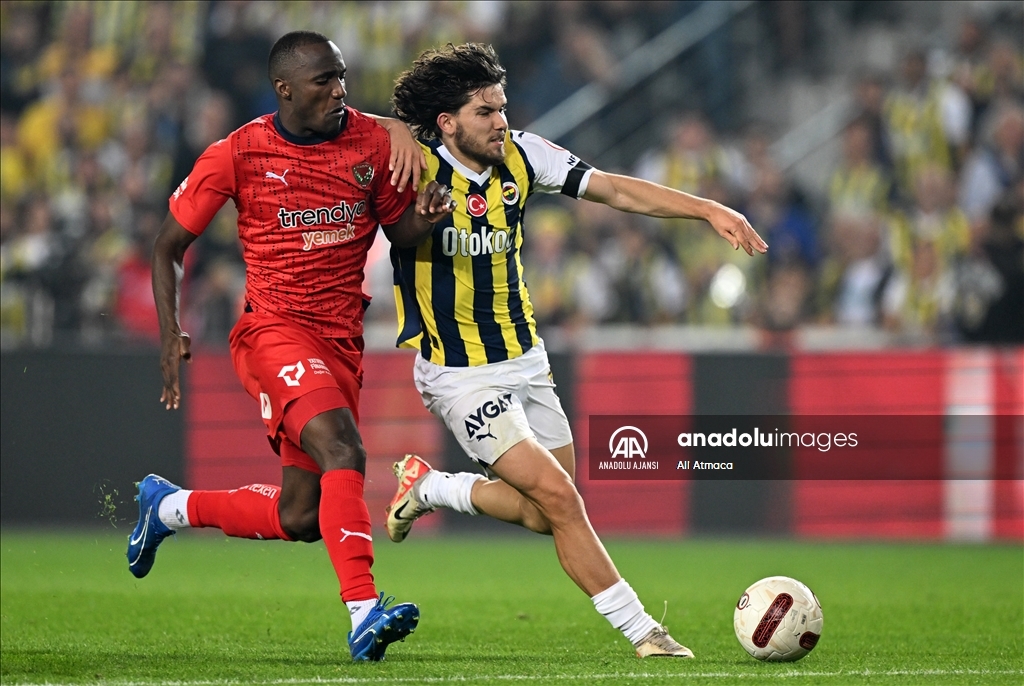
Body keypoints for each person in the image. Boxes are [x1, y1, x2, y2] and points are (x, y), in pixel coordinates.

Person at [385, 43, 767, 658]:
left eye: (502, 107)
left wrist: (706, 209)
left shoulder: (524, 155)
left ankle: (431, 488)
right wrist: (394, 132)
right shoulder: (414, 167)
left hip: (526, 358)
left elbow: (614, 190)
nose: (500, 121)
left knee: (544, 512)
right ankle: (646, 632)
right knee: (562, 498)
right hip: (460, 373)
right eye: (485, 112)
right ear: (447, 122)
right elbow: (343, 125)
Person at [126, 31, 455, 662]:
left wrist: (427, 214)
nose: (339, 90)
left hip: (342, 341)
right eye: (324, 80)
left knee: (302, 516)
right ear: (285, 89)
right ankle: (364, 611)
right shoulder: (238, 152)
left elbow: (399, 229)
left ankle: (168, 507)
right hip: (272, 331)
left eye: (342, 76)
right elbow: (168, 246)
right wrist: (171, 329)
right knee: (345, 449)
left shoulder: (371, 141)